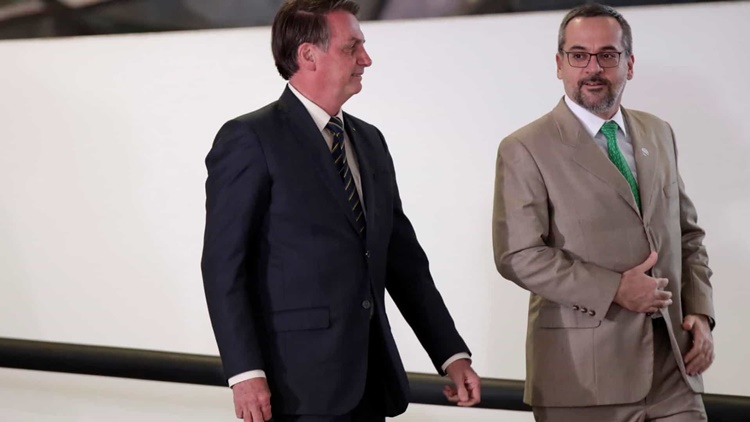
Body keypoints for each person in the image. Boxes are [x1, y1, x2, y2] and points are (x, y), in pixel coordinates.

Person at [201, 1, 480, 421]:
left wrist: (450, 354)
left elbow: (403, 261)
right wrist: (244, 373)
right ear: (308, 55)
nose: (366, 59)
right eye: (353, 48)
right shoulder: (250, 138)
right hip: (295, 387)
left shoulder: (370, 141)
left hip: (372, 380)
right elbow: (224, 267)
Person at [492, 3, 714, 421]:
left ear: (629, 64)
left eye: (608, 55)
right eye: (579, 55)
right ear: (559, 64)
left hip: (675, 368)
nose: (593, 68)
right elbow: (517, 255)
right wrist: (614, 289)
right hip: (584, 378)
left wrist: (700, 312)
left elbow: (687, 235)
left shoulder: (658, 132)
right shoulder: (525, 147)